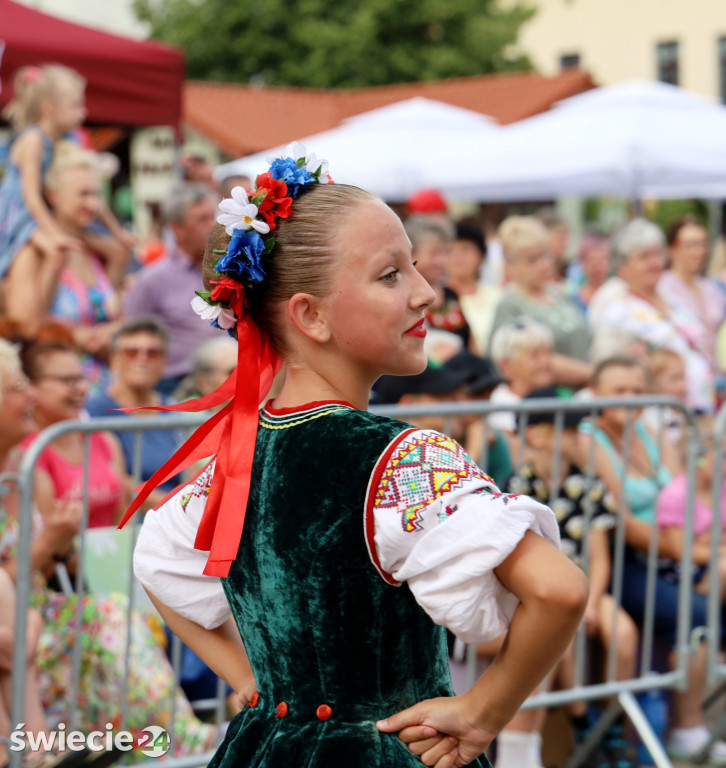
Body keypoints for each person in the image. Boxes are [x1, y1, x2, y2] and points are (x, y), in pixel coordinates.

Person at [124, 145, 588, 768]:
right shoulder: (401, 459)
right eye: (391, 275)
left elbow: (157, 563)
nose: (426, 292)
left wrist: (247, 678)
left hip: (266, 747)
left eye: (416, 267)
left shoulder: (236, 461)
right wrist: (484, 711)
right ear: (309, 315)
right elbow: (559, 591)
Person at [0, 338, 220, 759]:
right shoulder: (35, 459)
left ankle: (174, 739)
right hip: (26, 621)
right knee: (111, 619)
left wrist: (63, 549)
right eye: (16, 387)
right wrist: (51, 543)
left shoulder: (24, 467)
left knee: (122, 610)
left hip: (48, 606)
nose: (28, 396)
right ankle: (179, 742)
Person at [579, 355, 726, 763]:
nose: (629, 399)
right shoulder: (588, 437)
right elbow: (624, 523)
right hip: (624, 557)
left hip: (676, 546)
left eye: (637, 391)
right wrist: (698, 552)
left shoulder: (648, 429)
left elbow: (688, 495)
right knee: (694, 614)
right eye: (618, 391)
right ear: (596, 395)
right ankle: (687, 726)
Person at [499, 388, 638, 768]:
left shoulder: (590, 484)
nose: (579, 436)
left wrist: (592, 603)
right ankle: (583, 726)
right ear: (537, 435)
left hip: (586, 589)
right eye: (569, 427)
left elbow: (599, 557)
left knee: (623, 633)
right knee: (561, 630)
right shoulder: (515, 486)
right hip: (538, 595)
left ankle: (608, 728)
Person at [6, 143, 123, 394]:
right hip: (56, 395)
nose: (93, 204)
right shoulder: (33, 253)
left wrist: (113, 331)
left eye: (96, 194)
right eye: (83, 194)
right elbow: (25, 326)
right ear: (53, 195)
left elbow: (110, 314)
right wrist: (76, 336)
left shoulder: (100, 252)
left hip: (106, 391)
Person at [589, 218, 714, 413]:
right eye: (643, 257)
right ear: (622, 266)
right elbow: (607, 371)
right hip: (659, 418)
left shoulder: (671, 300)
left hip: (699, 410)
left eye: (657, 254)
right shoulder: (618, 312)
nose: (654, 263)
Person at [124, 183, 220, 394]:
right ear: (177, 229)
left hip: (231, 377)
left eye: (213, 216)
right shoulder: (152, 279)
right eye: (202, 220)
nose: (212, 225)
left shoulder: (232, 269)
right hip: (177, 387)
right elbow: (131, 336)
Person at [22, 338, 127, 530]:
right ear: (32, 386)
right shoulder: (28, 451)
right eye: (67, 381)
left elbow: (122, 518)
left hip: (111, 556)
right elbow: (49, 532)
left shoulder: (104, 439)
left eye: (81, 378)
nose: (79, 389)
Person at [0, 65, 86, 282]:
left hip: (34, 217)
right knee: (55, 252)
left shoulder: (62, 140)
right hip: (17, 218)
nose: (83, 112)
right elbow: (30, 196)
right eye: (75, 105)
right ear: (48, 108)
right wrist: (55, 233)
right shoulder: (33, 140)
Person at [86, 318, 183, 509]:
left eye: (153, 353)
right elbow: (112, 479)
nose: (142, 359)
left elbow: (194, 471)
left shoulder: (175, 410)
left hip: (178, 519)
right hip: (129, 525)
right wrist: (175, 508)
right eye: (131, 352)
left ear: (165, 362)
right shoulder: (93, 412)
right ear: (114, 359)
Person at [489, 217, 592, 387]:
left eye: (546, 255)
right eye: (532, 260)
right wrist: (594, 374)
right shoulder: (510, 305)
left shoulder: (560, 294)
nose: (544, 264)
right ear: (511, 265)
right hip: (547, 398)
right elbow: (522, 360)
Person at [657, 416, 726, 598]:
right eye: (724, 455)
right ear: (698, 456)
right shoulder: (676, 495)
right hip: (684, 572)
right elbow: (682, 550)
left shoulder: (722, 487)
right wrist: (719, 549)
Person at [660, 216, 726, 379]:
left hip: (717, 377)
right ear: (671, 248)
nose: (699, 251)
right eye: (690, 245)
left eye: (703, 244)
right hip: (683, 377)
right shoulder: (662, 288)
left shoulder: (711, 288)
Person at [404, 215, 476, 351]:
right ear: (411, 254)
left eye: (445, 253)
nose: (442, 261)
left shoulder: (451, 295)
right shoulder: (405, 297)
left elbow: (472, 344)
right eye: (434, 253)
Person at [487, 318, 554, 435]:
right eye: (535, 355)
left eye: (548, 353)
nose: (546, 362)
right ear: (507, 365)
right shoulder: (500, 407)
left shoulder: (557, 395)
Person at [446, 222, 501, 354]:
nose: (458, 256)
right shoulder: (437, 299)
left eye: (466, 249)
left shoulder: (498, 296)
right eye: (450, 250)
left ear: (481, 255)